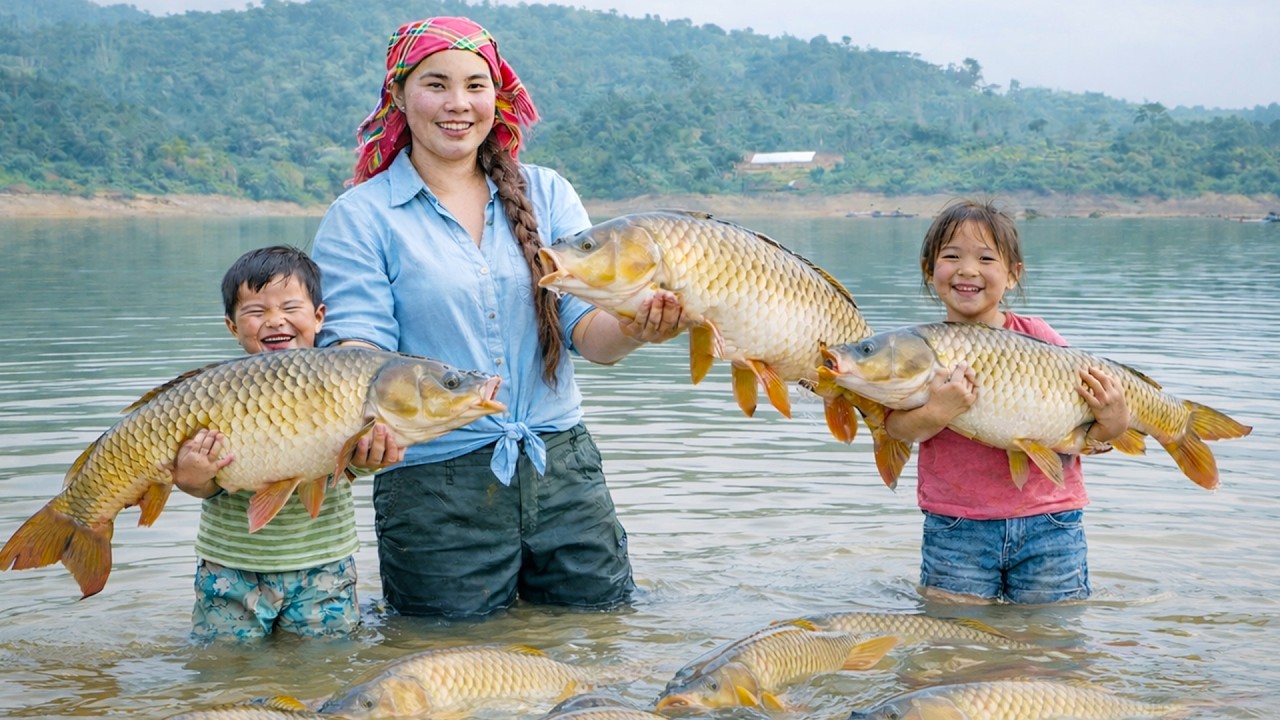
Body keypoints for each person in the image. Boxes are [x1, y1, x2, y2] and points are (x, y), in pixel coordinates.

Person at [309, 16, 685, 618]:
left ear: (497, 96)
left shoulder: (548, 192)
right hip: (434, 483)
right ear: (399, 95)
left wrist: (640, 327)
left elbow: (588, 334)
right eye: (436, 84)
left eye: (475, 85)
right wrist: (365, 430)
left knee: (600, 642)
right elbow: (359, 352)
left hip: (563, 467)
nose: (458, 104)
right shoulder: (361, 216)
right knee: (446, 666)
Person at [883, 199, 1129, 604]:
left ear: (1013, 275)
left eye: (985, 258)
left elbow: (1090, 435)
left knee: (1053, 641)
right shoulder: (917, 349)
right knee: (952, 642)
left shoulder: (1040, 338)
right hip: (956, 525)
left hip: (1050, 520)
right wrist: (939, 411)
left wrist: (1116, 419)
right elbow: (895, 429)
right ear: (930, 270)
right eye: (951, 256)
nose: (967, 269)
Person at [171, 245, 403, 641]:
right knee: (224, 673)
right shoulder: (213, 393)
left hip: (324, 567)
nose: (275, 321)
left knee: (325, 669)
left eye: (290, 308)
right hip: (231, 567)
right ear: (232, 326)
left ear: (319, 317)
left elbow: (350, 466)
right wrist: (191, 477)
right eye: (256, 312)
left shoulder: (344, 386)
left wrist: (371, 458)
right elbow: (201, 485)